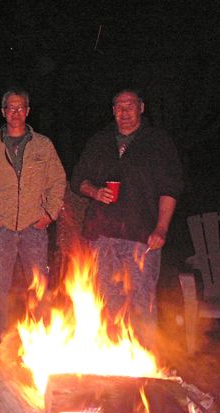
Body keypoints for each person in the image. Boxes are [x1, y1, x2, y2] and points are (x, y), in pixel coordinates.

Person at [70, 88, 183, 347]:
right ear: (113, 111)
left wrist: (162, 229)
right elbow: (78, 180)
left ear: (141, 108)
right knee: (107, 305)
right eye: (119, 107)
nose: (124, 112)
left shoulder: (159, 142)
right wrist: (95, 191)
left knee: (142, 306)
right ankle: (111, 367)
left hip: (142, 238)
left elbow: (170, 188)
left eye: (130, 106)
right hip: (102, 237)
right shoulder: (99, 141)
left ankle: (145, 368)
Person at [0, 88, 66, 345]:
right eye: (10, 108)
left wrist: (50, 212)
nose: (16, 113)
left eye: (21, 108)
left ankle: (42, 343)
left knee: (39, 288)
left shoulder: (43, 145)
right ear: (3, 111)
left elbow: (58, 180)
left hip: (34, 227)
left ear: (28, 111)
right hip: (1, 228)